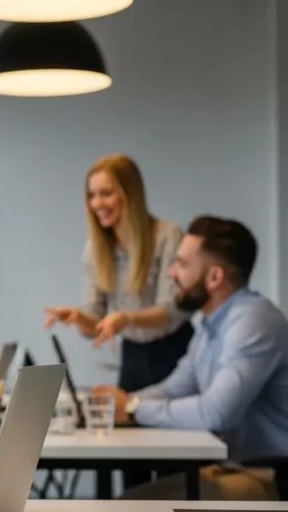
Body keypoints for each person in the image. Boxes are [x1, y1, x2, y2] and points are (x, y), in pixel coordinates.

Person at [91, 215, 288, 501]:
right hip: (241, 471)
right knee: (127, 506)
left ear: (215, 277)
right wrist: (119, 404)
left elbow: (217, 413)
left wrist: (133, 408)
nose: (171, 273)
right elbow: (175, 387)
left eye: (182, 264)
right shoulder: (210, 324)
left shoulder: (253, 322)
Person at [45, 154, 194, 393]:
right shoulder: (94, 249)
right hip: (133, 356)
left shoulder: (167, 236)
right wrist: (78, 318)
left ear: (130, 194)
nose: (97, 204)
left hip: (176, 351)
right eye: (92, 195)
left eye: (106, 193)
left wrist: (127, 319)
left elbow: (173, 310)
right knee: (130, 426)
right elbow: (96, 326)